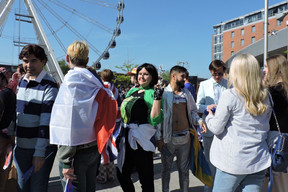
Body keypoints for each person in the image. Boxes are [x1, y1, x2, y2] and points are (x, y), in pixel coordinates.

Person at [49, 41, 117, 192]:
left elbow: (68, 123)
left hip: (75, 152)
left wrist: (66, 161)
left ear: (67, 58)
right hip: (93, 147)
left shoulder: (71, 82)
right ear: (87, 60)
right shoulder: (95, 81)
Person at [206, 53, 272, 192]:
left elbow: (216, 128)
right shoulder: (266, 96)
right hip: (258, 159)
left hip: (232, 162)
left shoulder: (230, 95)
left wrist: (209, 116)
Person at [14, 44, 59, 192]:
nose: (28, 65)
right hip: (21, 147)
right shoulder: (22, 81)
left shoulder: (49, 85)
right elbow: (18, 114)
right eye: (25, 61)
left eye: (33, 61)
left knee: (37, 188)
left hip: (39, 149)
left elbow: (45, 122)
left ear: (43, 61)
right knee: (22, 187)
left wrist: (39, 154)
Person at [156, 66, 206, 192]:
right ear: (174, 76)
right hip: (168, 139)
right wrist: (158, 138)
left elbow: (193, 111)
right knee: (166, 170)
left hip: (185, 139)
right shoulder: (163, 94)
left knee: (184, 170)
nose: (185, 79)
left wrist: (199, 121)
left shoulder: (186, 94)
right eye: (182, 76)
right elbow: (157, 118)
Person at [116, 63, 163, 192]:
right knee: (121, 173)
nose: (142, 77)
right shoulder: (132, 90)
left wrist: (157, 98)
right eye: (140, 74)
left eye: (146, 74)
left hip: (142, 140)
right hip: (126, 137)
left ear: (152, 77)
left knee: (146, 179)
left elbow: (155, 119)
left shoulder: (152, 93)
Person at [196, 59, 228, 192]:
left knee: (224, 160)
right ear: (211, 72)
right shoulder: (204, 84)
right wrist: (207, 107)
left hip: (226, 128)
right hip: (209, 127)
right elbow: (197, 105)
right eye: (215, 74)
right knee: (209, 160)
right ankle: (208, 187)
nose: (218, 77)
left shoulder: (228, 84)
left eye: (220, 74)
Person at [261, 54, 288, 192]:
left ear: (274, 69)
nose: (264, 70)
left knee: (274, 184)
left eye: (266, 67)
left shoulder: (271, 93)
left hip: (276, 144)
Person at [96, 69, 121, 184]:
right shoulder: (115, 90)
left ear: (101, 77)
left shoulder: (100, 89)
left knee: (102, 149)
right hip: (114, 122)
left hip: (102, 123)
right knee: (111, 148)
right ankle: (111, 175)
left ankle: (102, 176)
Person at [0, 71, 16, 192]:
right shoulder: (9, 93)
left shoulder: (4, 94)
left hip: (2, 136)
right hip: (5, 136)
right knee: (4, 169)